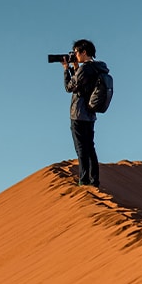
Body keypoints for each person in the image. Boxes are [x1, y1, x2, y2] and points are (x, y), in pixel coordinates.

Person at [61, 39, 110, 187]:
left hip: (79, 113)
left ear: (83, 52)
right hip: (90, 114)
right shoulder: (98, 68)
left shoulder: (85, 69)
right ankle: (94, 179)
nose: (74, 55)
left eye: (76, 52)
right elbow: (83, 85)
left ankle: (84, 179)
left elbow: (69, 87)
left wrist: (66, 69)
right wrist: (75, 67)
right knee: (90, 147)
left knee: (81, 148)